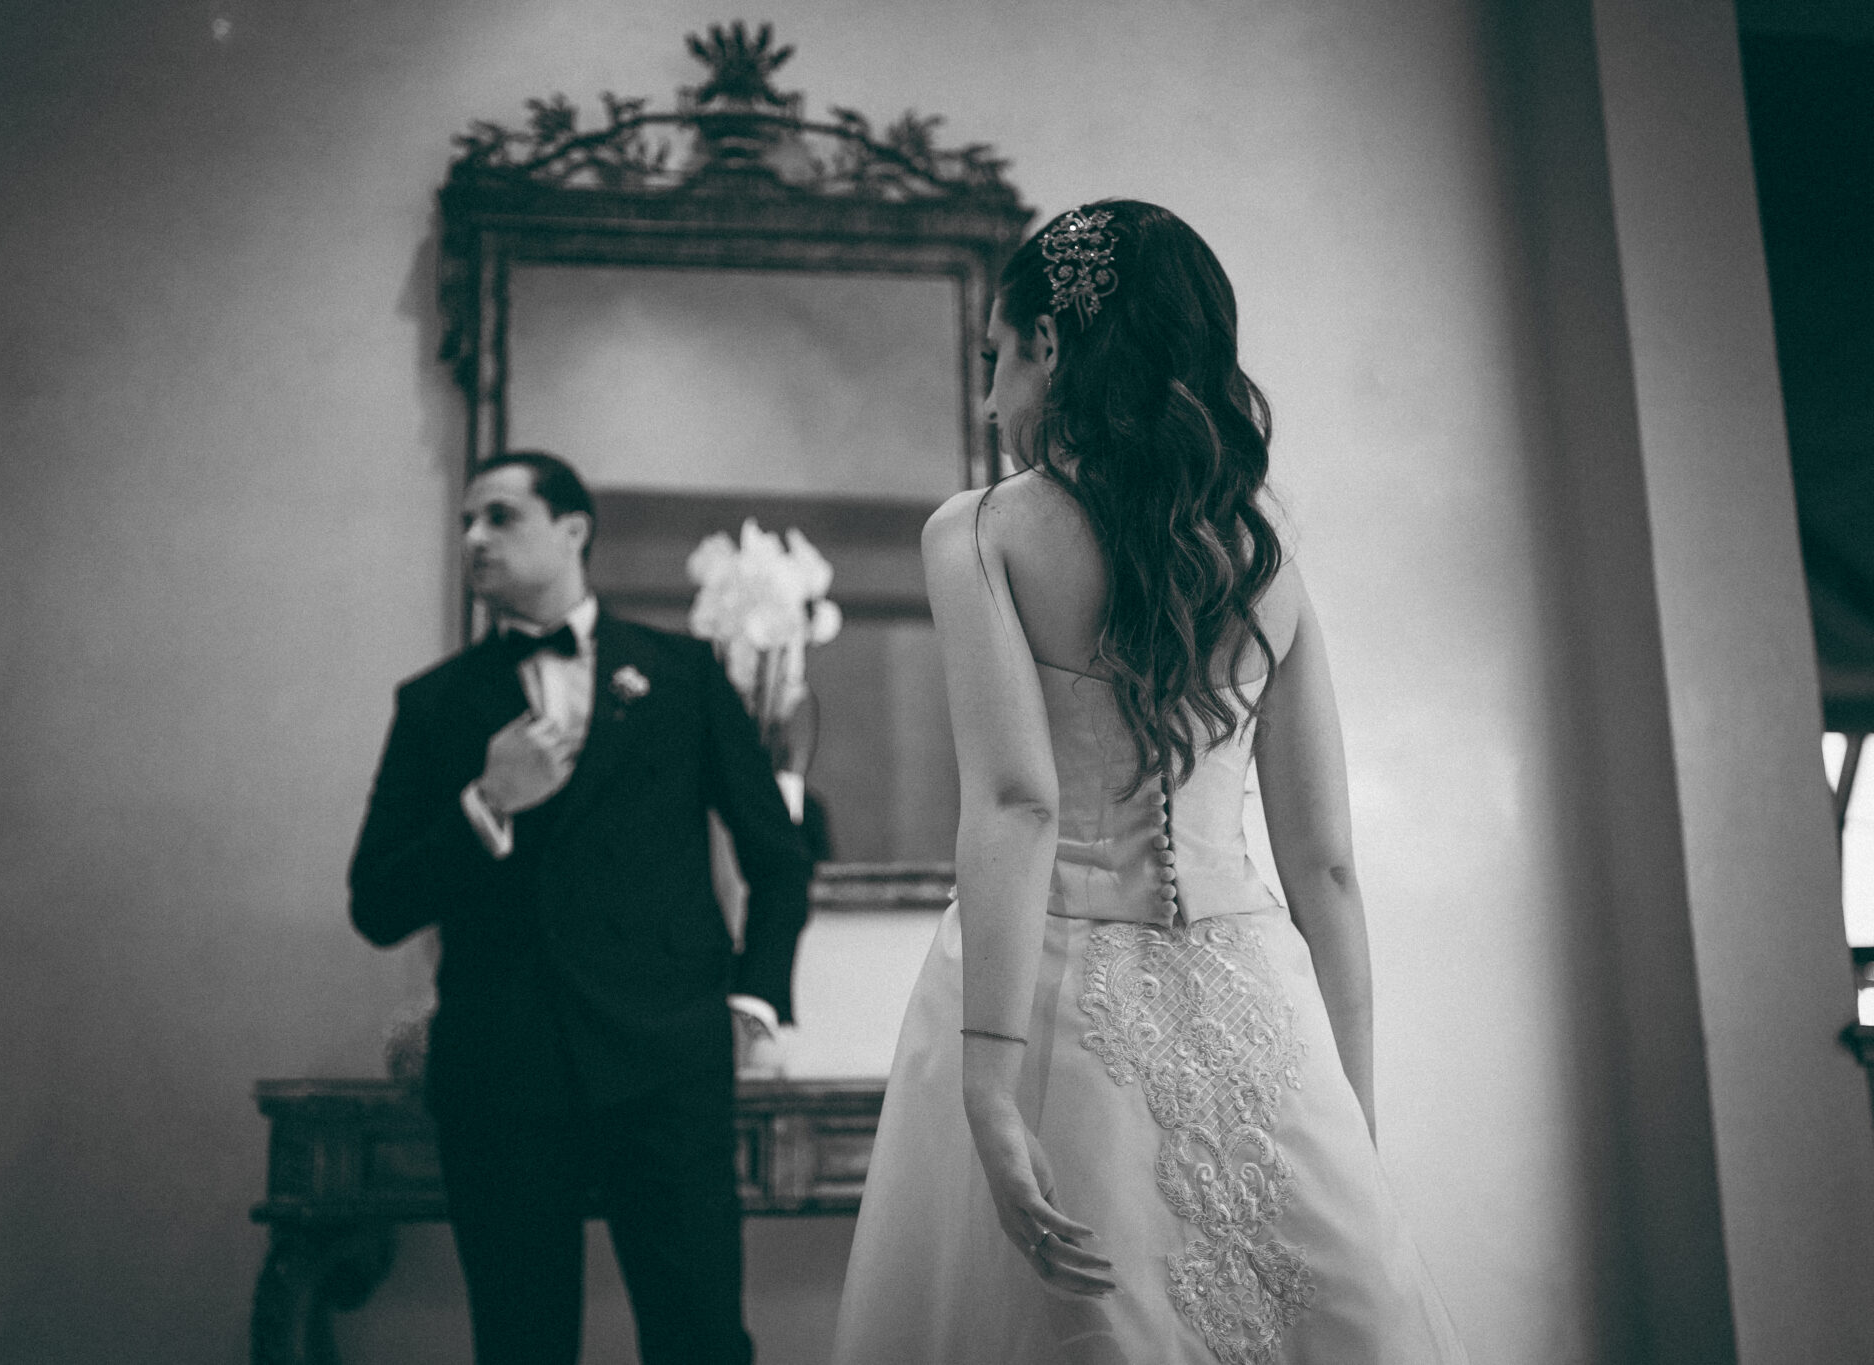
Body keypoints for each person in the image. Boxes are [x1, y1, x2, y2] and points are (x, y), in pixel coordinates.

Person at [831, 203, 1467, 1365]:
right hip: (1256, 997)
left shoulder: (980, 532)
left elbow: (1018, 804)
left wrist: (987, 1090)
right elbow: (1324, 865)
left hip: (1050, 999)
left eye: (995, 358)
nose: (990, 402)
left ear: (1050, 345)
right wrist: (1350, 1120)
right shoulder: (1262, 553)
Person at [348, 450, 812, 1365]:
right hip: (500, 1076)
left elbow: (779, 857)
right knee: (520, 1347)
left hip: (668, 1067)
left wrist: (755, 1001)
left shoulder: (684, 675)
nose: (475, 537)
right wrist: (485, 803)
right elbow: (377, 902)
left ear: (572, 530)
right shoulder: (434, 704)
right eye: (467, 521)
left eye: (500, 516)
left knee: (702, 1342)